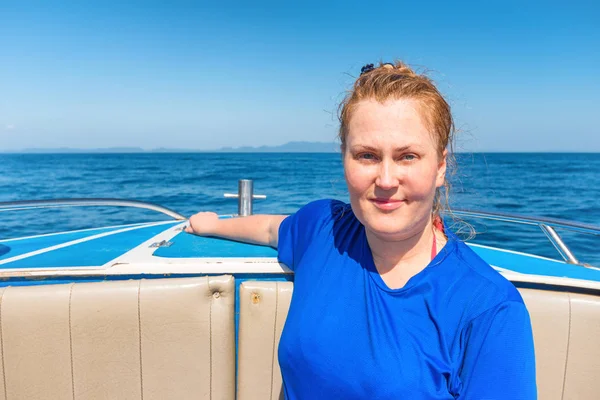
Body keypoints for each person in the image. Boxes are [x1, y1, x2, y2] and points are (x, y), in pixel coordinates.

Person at [186, 61, 537, 399]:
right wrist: (213, 224)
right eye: (367, 155)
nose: (385, 180)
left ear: (441, 167)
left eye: (408, 156)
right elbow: (269, 229)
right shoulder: (324, 229)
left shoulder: (488, 308)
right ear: (344, 158)